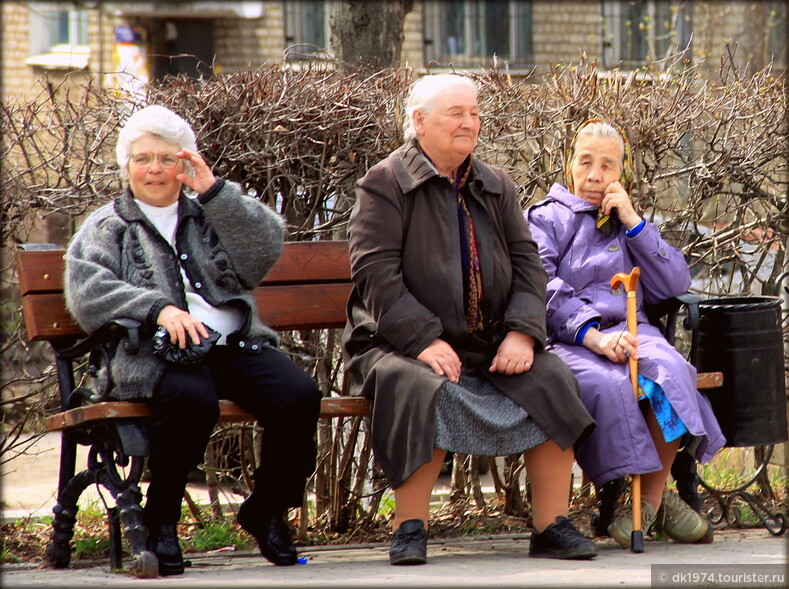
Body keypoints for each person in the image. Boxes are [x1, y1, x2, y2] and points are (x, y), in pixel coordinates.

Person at [342, 74, 598, 565]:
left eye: (475, 113)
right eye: (456, 113)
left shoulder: (495, 183)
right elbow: (376, 273)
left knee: (553, 377)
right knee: (420, 385)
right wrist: (423, 340)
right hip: (396, 341)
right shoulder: (385, 183)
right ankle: (410, 526)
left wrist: (523, 333)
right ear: (419, 122)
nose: (469, 122)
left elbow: (528, 264)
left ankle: (551, 526)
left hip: (489, 340)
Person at [65, 105, 322, 575]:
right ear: (127, 166)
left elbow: (264, 250)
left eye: (167, 159)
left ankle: (265, 507)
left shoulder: (209, 213)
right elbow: (87, 292)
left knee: (298, 395)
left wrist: (216, 192)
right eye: (143, 159)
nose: (155, 169)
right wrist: (157, 308)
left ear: (185, 165)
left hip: (232, 344)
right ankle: (161, 520)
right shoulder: (108, 225)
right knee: (192, 399)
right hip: (158, 355)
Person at [526, 118, 726, 549]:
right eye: (585, 162)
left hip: (635, 330)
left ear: (623, 173)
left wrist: (634, 221)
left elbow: (673, 284)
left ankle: (649, 503)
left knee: (671, 369)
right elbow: (543, 289)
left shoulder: (628, 222)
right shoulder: (546, 219)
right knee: (609, 383)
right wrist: (595, 336)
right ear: (569, 165)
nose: (595, 175)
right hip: (572, 340)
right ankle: (646, 502)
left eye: (607, 165)